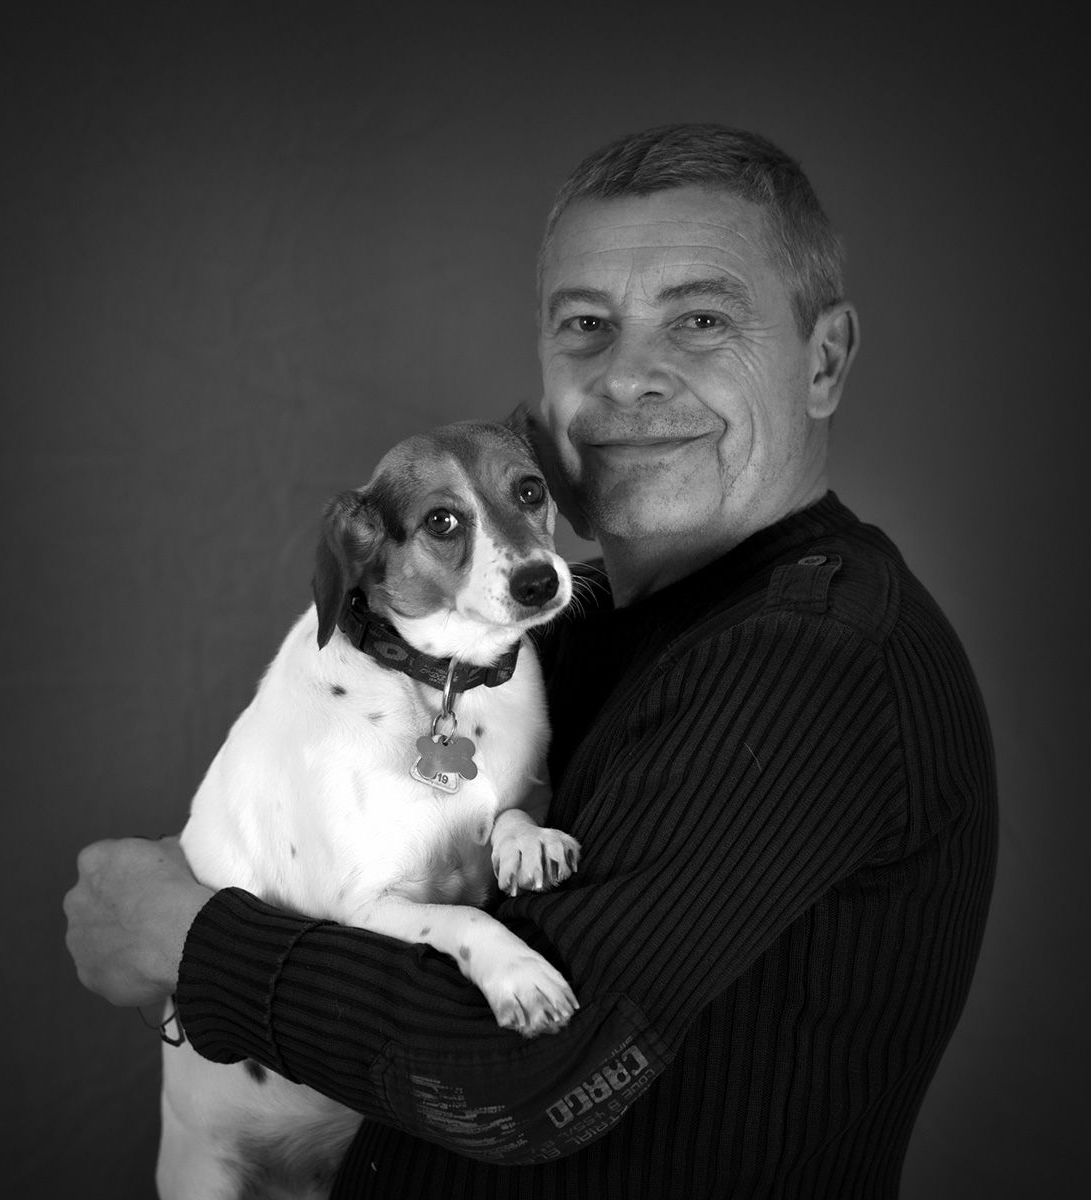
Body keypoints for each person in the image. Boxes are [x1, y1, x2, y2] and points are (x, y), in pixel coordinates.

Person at [65, 123, 997, 1198]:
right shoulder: (556, 633)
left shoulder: (813, 658)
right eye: (587, 327)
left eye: (700, 320)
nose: (632, 377)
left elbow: (531, 1079)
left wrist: (189, 939)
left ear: (823, 360)